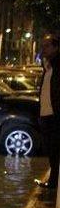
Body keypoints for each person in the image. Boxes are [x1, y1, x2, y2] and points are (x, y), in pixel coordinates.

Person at [35, 33, 60, 189]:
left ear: (56, 47)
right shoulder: (48, 67)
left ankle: (54, 183)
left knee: (55, 150)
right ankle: (53, 182)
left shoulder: (57, 66)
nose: (43, 49)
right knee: (51, 151)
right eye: (42, 46)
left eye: (46, 46)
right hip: (45, 114)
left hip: (55, 115)